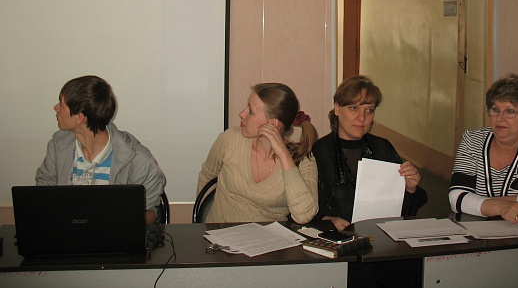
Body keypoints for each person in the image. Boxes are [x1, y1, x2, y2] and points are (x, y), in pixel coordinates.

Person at [36, 75, 166, 225]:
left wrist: (115, 220)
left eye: (62, 104)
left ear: (79, 118)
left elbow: (150, 213)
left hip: (115, 237)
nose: (56, 108)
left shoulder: (138, 160)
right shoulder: (58, 147)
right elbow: (43, 193)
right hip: (65, 236)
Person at [312, 75, 427, 231]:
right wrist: (324, 220)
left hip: (380, 235)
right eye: (354, 108)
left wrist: (410, 188)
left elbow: (403, 211)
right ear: (337, 109)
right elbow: (302, 208)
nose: (362, 118)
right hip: (335, 238)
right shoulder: (318, 152)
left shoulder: (382, 148)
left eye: (369, 110)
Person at [196, 83, 318, 224]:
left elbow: (304, 215)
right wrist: (202, 226)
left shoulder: (303, 159)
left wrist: (284, 156)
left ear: (272, 124)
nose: (242, 114)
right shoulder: (229, 140)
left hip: (268, 237)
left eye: (251, 111)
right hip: (220, 234)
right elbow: (207, 176)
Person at [449, 74, 518, 222]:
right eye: (495, 109)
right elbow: (456, 199)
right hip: (476, 230)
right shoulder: (472, 140)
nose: (500, 118)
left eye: (510, 111)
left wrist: (479, 203)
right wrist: (502, 207)